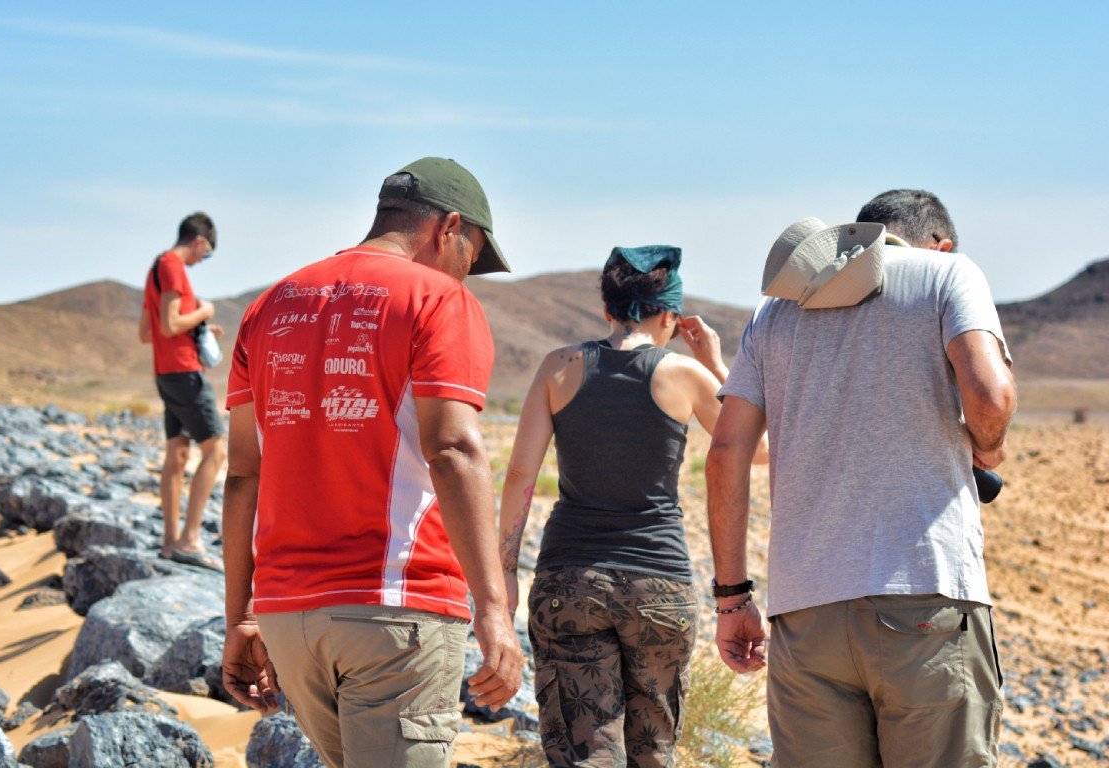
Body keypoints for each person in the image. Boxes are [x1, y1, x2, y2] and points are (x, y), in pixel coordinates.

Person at [220, 157, 524, 768]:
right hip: (395, 607)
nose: (468, 273)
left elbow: (243, 474)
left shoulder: (271, 305)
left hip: (288, 618)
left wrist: (243, 616)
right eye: (472, 254)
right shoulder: (439, 299)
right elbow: (453, 448)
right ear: (449, 228)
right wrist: (494, 611)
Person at [707, 189, 1017, 767]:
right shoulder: (949, 274)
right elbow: (989, 395)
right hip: (925, 596)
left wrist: (731, 601)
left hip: (805, 614)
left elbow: (726, 452)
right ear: (940, 244)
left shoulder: (775, 310)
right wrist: (988, 448)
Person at [499, 245, 767, 768]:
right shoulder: (684, 375)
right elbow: (756, 450)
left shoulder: (559, 367)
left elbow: (518, 476)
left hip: (569, 583)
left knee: (585, 754)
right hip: (659, 587)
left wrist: (505, 570)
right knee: (653, 753)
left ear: (608, 309)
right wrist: (713, 361)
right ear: (669, 313)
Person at [139, 211, 226, 571]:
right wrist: (203, 310)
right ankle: (190, 540)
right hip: (185, 373)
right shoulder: (174, 266)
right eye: (205, 255)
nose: (201, 261)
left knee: (176, 456)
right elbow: (171, 323)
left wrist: (201, 328)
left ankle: (170, 543)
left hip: (165, 374)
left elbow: (148, 332)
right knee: (216, 452)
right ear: (200, 242)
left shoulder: (155, 269)